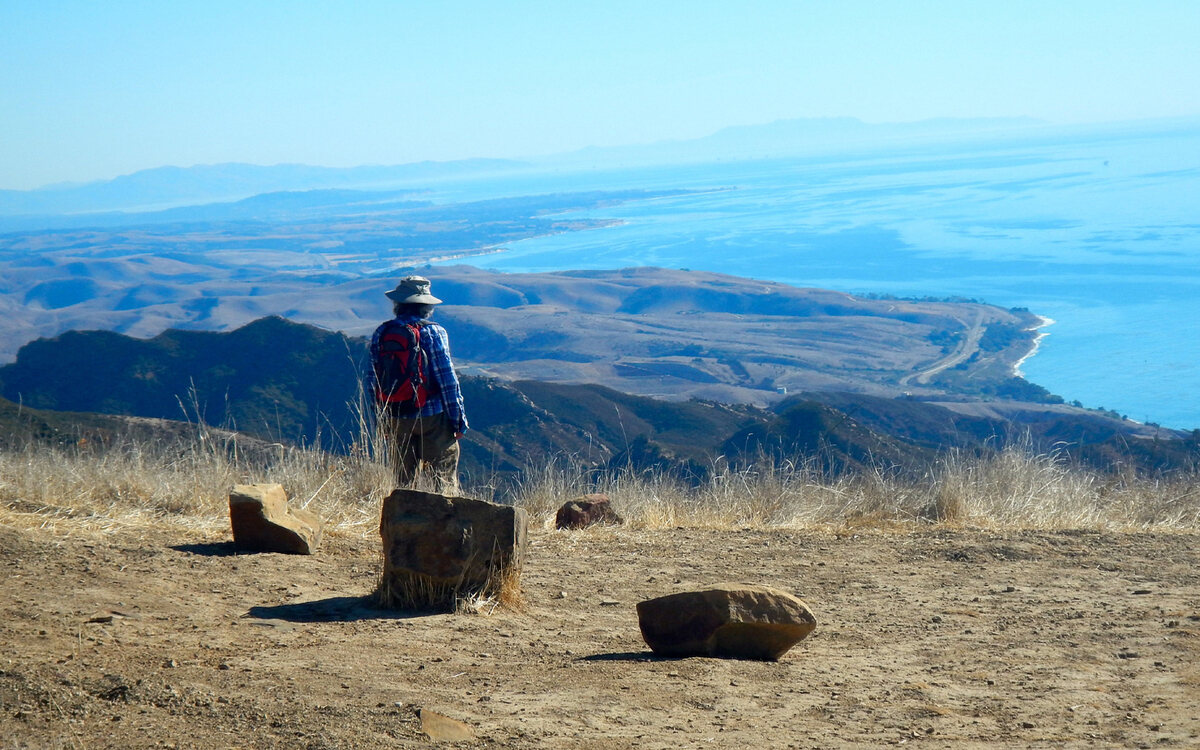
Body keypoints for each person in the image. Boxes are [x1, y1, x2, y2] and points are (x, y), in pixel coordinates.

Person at [367, 275, 468, 493]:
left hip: (395, 416)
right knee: (440, 480)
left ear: (398, 304)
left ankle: (404, 522)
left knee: (403, 483)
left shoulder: (382, 332)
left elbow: (372, 380)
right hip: (432, 417)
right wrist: (457, 419)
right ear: (426, 306)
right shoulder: (433, 332)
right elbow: (447, 379)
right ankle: (440, 522)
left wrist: (381, 421)